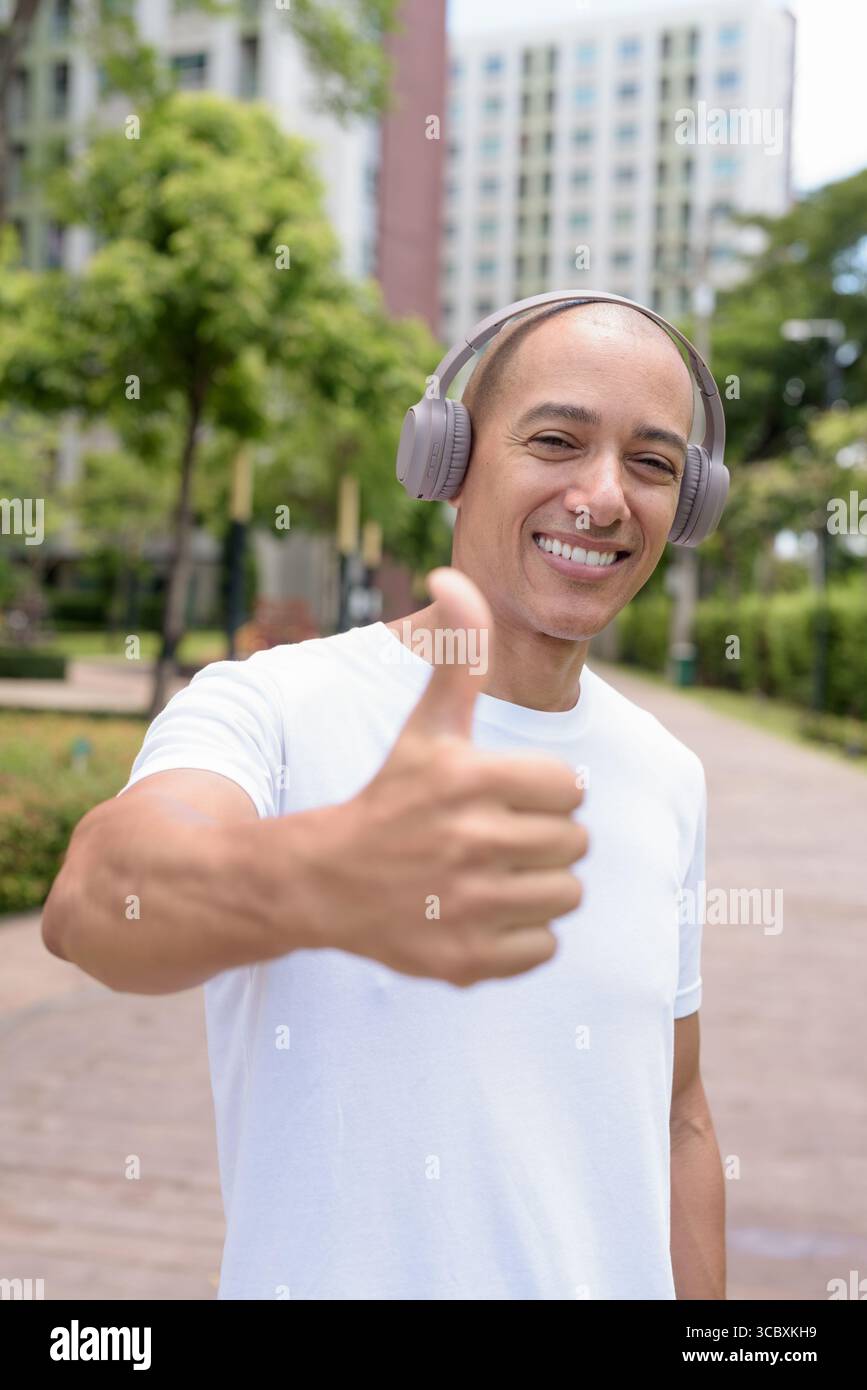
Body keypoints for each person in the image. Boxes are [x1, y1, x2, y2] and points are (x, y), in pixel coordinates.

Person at [42, 295, 726, 1300]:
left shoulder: (669, 771)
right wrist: (321, 876)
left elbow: (678, 1115)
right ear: (447, 459)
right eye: (555, 440)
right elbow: (94, 903)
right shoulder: (272, 703)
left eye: (653, 463)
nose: (604, 495)